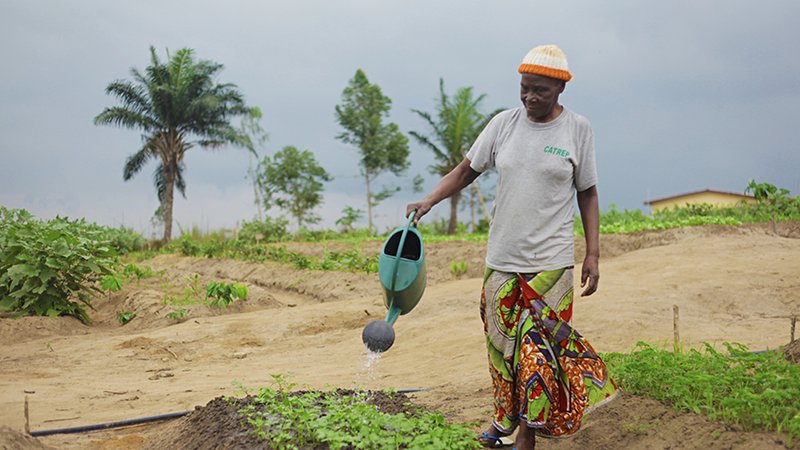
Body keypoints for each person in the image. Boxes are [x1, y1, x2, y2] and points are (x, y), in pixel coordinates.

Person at [406, 44, 618, 450]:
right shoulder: (503, 124)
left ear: (560, 88)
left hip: (550, 264)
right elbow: (466, 170)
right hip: (502, 259)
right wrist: (429, 200)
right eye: (524, 88)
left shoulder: (577, 129)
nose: (529, 97)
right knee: (502, 347)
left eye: (539, 90)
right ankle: (504, 416)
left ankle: (527, 434)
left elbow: (588, 193)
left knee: (538, 352)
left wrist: (593, 253)